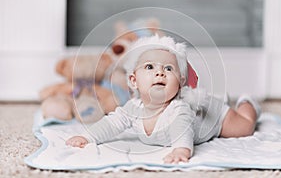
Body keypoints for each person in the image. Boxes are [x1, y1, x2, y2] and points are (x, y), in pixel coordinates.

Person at [66, 35, 261, 164]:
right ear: (133, 80)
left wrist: (181, 151)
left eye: (168, 69)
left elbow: (181, 133)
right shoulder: (133, 109)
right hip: (203, 109)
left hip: (216, 117)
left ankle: (247, 104)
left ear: (180, 82)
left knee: (243, 128)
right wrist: (88, 137)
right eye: (150, 67)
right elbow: (111, 123)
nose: (160, 72)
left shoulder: (179, 110)